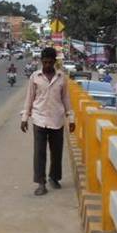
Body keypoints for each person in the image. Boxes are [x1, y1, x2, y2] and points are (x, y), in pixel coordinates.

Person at [21, 47, 75, 196]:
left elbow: (66, 98)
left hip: (57, 119)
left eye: (50, 62)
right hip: (39, 118)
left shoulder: (61, 77)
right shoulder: (35, 77)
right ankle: (41, 183)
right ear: (41, 61)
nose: (47, 66)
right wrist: (25, 118)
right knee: (39, 152)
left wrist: (71, 118)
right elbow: (29, 98)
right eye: (45, 62)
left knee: (56, 151)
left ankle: (54, 177)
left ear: (54, 62)